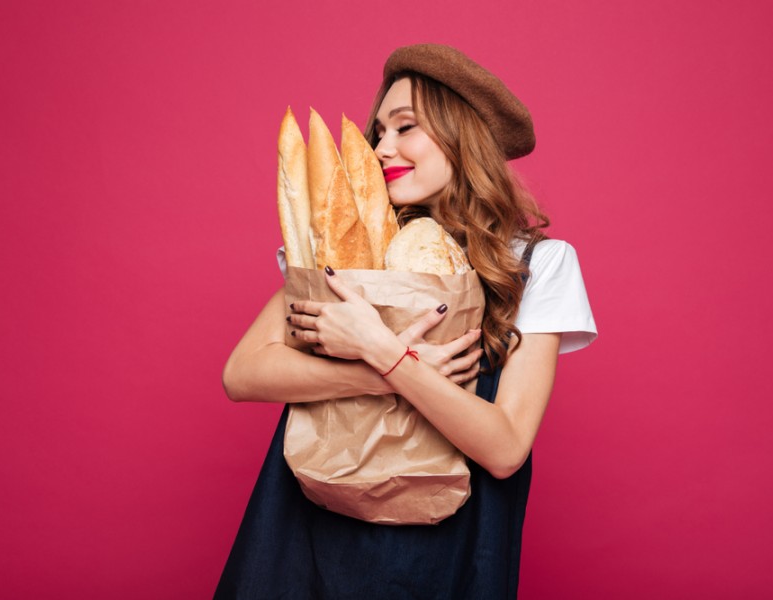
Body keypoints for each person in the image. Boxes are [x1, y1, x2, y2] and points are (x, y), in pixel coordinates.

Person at [214, 44, 597, 599]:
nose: (381, 146)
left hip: (455, 545)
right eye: (378, 130)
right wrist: (379, 368)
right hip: (313, 523)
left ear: (463, 137)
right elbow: (242, 374)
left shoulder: (537, 263)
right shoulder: (347, 248)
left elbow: (506, 448)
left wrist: (383, 350)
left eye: (405, 127)